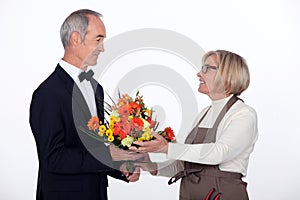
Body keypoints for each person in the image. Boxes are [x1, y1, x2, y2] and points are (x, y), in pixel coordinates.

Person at [29, 9, 143, 200]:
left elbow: (92, 150)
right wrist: (110, 155)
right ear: (75, 39)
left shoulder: (96, 88)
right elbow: (53, 159)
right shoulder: (47, 94)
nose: (103, 48)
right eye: (98, 40)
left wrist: (120, 168)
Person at [130, 50, 258, 200]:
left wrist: (167, 148)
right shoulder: (204, 113)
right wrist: (152, 167)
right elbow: (186, 165)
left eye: (206, 68)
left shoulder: (243, 114)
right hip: (190, 192)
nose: (199, 73)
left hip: (221, 193)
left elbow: (219, 153)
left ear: (227, 74)